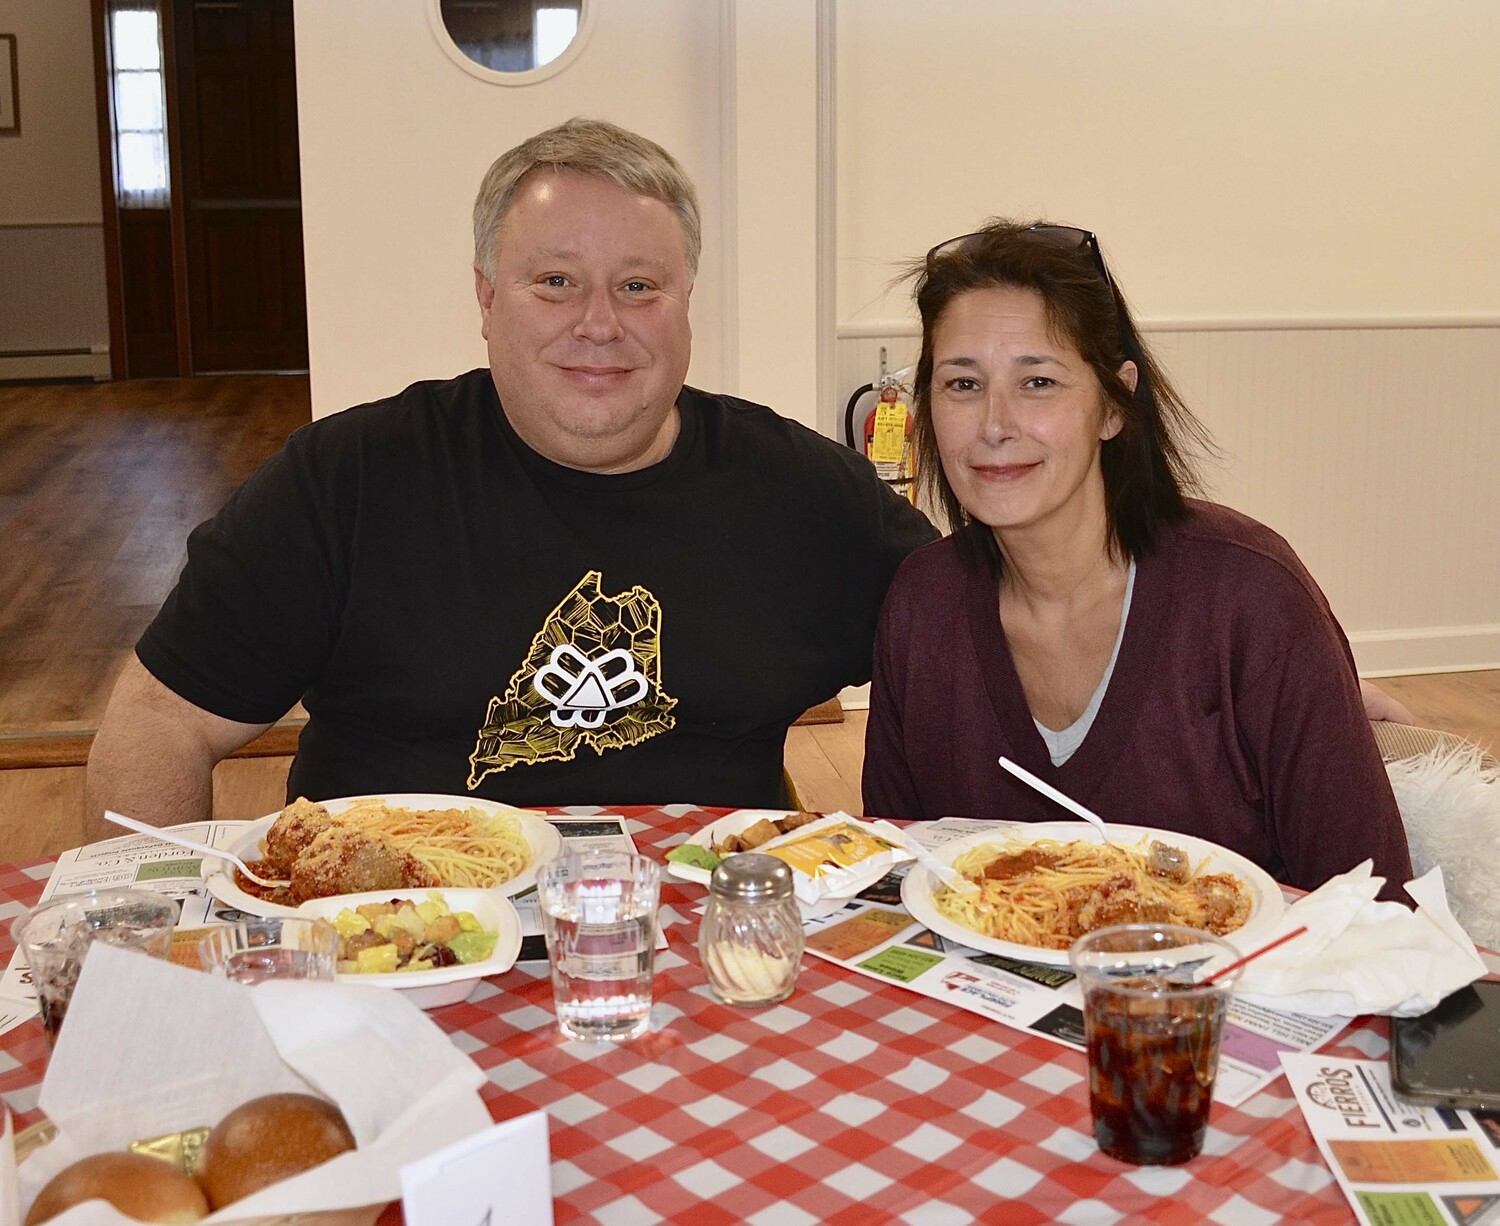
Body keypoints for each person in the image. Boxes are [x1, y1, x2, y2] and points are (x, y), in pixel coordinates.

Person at [85, 118, 935, 837]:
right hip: (388, 948)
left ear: (686, 301)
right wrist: (152, 950)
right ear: (487, 299)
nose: (599, 324)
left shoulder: (806, 496)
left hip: (704, 960)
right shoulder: (345, 481)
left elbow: (984, 646)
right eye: (555, 283)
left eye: (639, 286)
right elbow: (160, 724)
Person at [861, 220, 1413, 899]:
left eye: (1037, 382)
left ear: (1114, 404)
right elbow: (894, 883)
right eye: (962, 385)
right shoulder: (924, 603)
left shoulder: (1250, 597)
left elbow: (1378, 906)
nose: (994, 424)